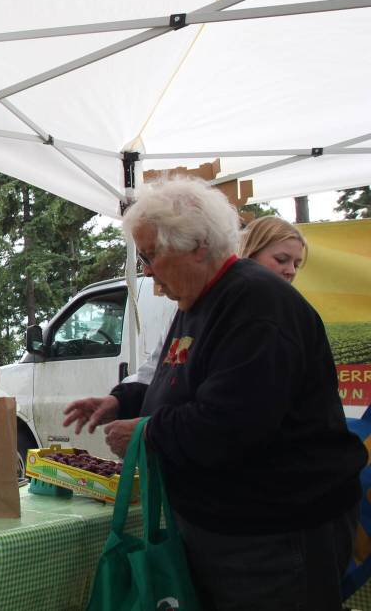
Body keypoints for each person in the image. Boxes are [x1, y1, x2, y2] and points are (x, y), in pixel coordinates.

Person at [64, 178, 365, 610]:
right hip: (234, 531)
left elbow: (233, 423)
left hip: (276, 536)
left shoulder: (256, 303)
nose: (147, 271)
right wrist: (123, 402)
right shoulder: (201, 298)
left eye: (151, 256)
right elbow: (178, 375)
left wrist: (148, 433)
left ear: (198, 247)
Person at [121, 214, 308, 387]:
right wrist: (122, 398)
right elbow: (158, 368)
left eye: (296, 264)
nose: (291, 270)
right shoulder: (196, 303)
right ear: (249, 254)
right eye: (281, 259)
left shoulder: (274, 314)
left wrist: (146, 424)